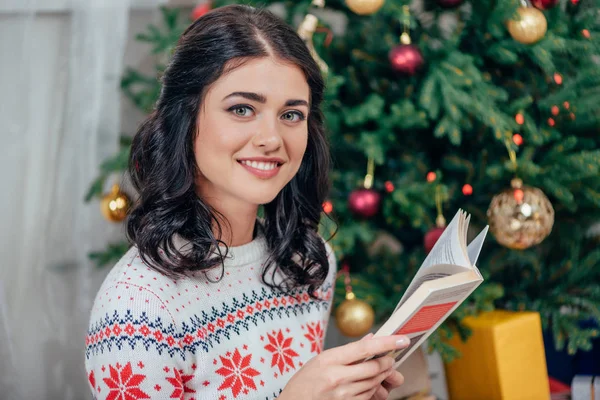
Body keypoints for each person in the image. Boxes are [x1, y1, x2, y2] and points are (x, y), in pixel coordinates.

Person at [84, 4, 410, 400]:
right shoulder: (137, 309)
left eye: (291, 114)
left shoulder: (307, 262)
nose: (271, 138)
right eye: (242, 109)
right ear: (184, 120)